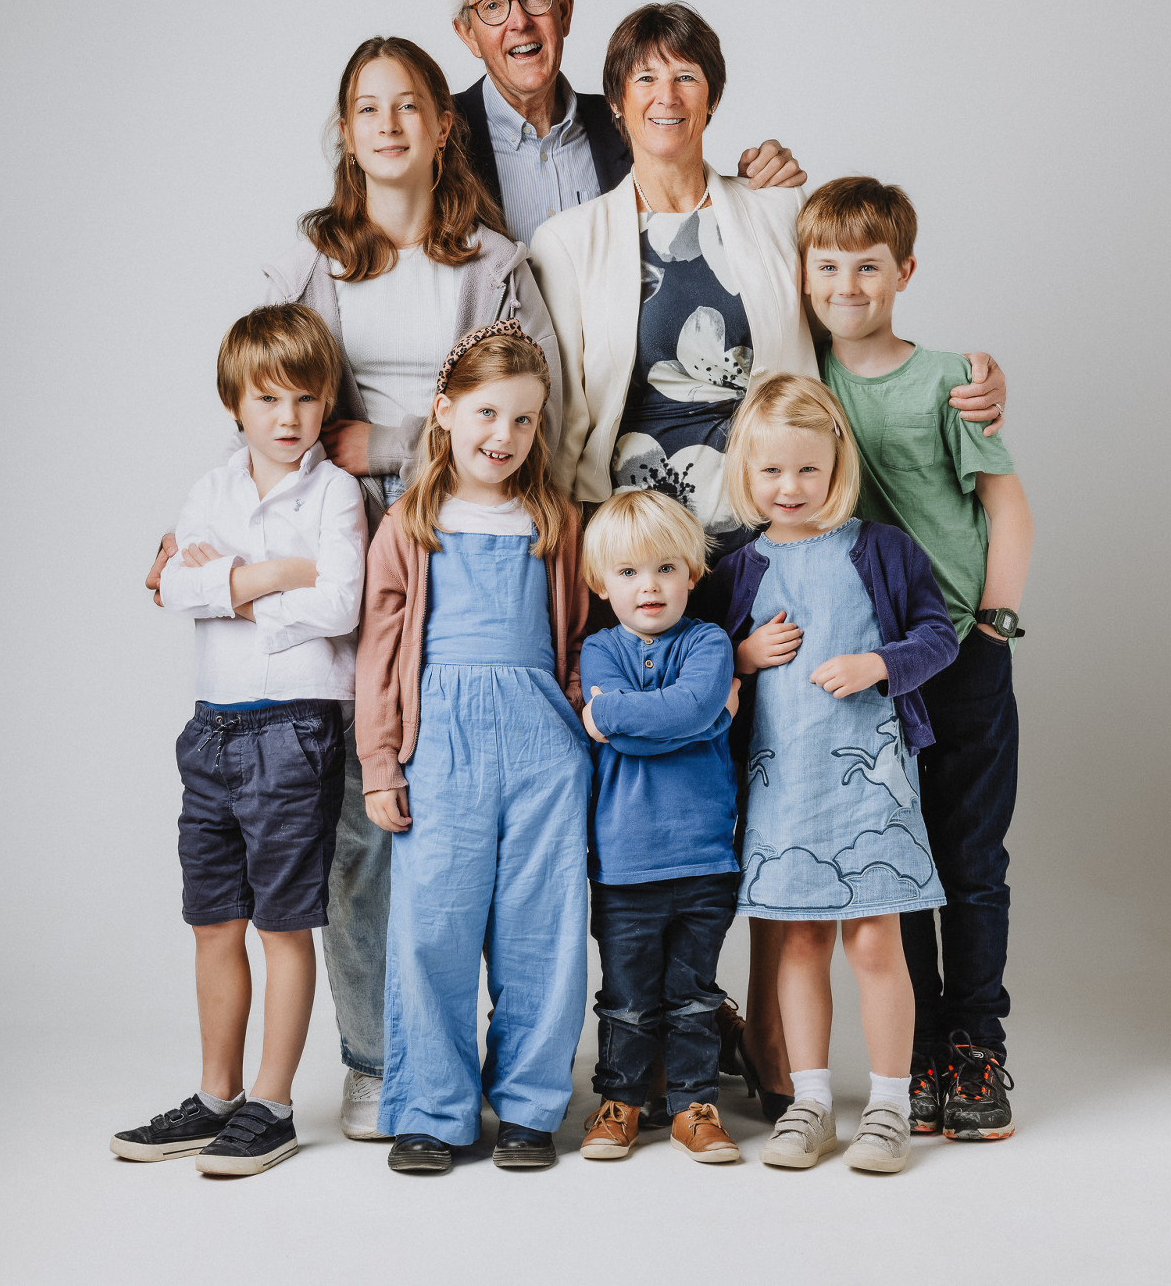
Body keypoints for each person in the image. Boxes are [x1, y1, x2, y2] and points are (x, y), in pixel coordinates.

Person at [529, 0, 1009, 1123]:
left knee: (779, 803)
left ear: (712, 94)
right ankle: (657, 1046)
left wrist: (963, 380)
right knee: (664, 809)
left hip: (770, 556)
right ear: (617, 100)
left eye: (686, 76)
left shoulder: (771, 206)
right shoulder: (569, 242)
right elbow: (558, 422)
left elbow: (856, 322)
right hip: (646, 568)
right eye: (643, 78)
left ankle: (773, 1069)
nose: (665, 96)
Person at [145, 36, 558, 1144]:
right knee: (362, 822)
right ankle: (379, 1060)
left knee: (474, 809)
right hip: (342, 546)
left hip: (463, 544)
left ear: (440, 125)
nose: (387, 124)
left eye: (410, 104)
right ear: (345, 130)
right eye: (367, 107)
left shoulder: (492, 260)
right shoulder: (310, 259)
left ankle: (494, 1061)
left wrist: (385, 441)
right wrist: (207, 539)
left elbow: (530, 409)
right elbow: (266, 394)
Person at [802, 177, 1032, 1141]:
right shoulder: (802, 375)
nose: (848, 284)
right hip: (868, 663)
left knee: (970, 856)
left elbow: (1005, 506)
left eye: (868, 265)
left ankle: (978, 1046)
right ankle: (925, 1045)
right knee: (900, 862)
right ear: (804, 276)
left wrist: (994, 622)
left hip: (961, 650)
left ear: (903, 271)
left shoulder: (947, 375)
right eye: (828, 266)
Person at [112, 305, 367, 1175]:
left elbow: (341, 604)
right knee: (213, 921)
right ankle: (214, 1097)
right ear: (236, 405)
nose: (288, 417)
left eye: (304, 398)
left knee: (281, 924)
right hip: (211, 729)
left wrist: (225, 587)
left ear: (325, 401)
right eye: (268, 399)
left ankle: (271, 1104)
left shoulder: (334, 492)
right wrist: (270, 578)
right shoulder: (211, 489)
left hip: (293, 730)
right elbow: (172, 587)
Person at [356, 322, 592, 1174]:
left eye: (526, 420)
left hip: (542, 748)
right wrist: (381, 764)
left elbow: (573, 648)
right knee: (434, 928)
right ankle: (433, 1109)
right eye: (489, 413)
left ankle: (529, 1108)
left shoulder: (554, 521)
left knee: (544, 931)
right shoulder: (408, 525)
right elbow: (381, 659)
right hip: (440, 746)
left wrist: (585, 726)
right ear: (445, 409)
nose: (505, 436)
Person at [711, 373, 958, 1174]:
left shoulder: (881, 550)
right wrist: (742, 655)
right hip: (784, 790)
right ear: (746, 472)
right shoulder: (737, 568)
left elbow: (939, 635)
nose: (789, 488)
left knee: (878, 943)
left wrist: (877, 663)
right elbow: (703, 657)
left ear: (836, 465)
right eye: (771, 471)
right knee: (800, 942)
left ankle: (887, 1104)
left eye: (807, 470)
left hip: (869, 789)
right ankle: (810, 1102)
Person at [448, 0, 808, 246]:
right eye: (492, 6)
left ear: (565, 9)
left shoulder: (634, 119)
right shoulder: (436, 139)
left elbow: (689, 211)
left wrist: (753, 190)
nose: (519, 22)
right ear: (468, 34)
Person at [577, 491, 743, 1165]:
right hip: (623, 864)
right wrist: (709, 720)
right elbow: (687, 716)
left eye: (666, 568)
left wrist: (622, 718)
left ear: (692, 575)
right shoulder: (598, 648)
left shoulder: (709, 641)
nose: (649, 585)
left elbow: (662, 714)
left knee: (694, 994)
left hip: (705, 859)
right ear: (600, 583)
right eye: (628, 572)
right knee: (625, 996)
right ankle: (620, 1101)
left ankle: (695, 1105)